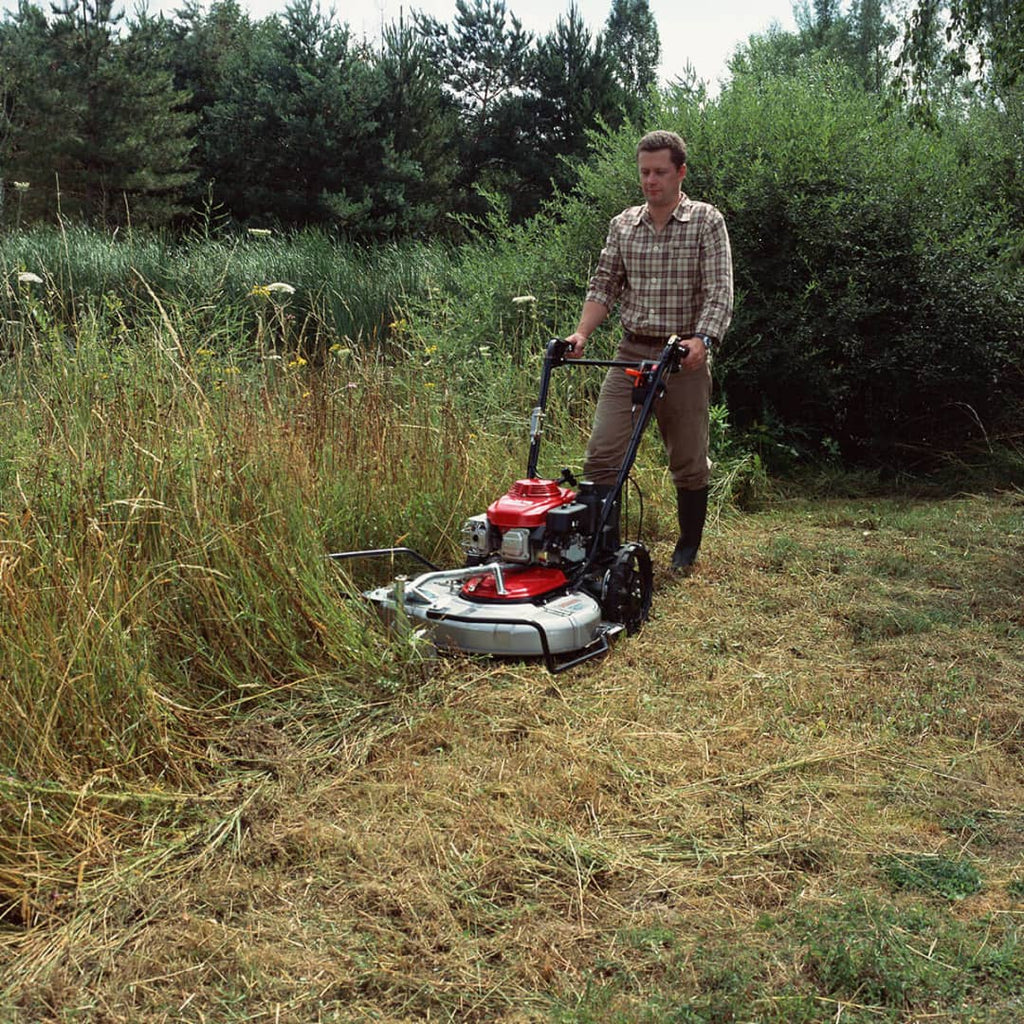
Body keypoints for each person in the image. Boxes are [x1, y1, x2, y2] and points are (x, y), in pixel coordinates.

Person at [565, 129, 733, 573]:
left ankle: (688, 545)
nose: (650, 180)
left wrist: (703, 340)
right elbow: (604, 285)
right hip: (631, 353)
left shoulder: (706, 221)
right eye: (644, 172)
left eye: (660, 172)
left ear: (680, 172)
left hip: (682, 356)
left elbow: (719, 292)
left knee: (688, 459)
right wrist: (581, 334)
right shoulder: (623, 225)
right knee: (602, 453)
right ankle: (602, 552)